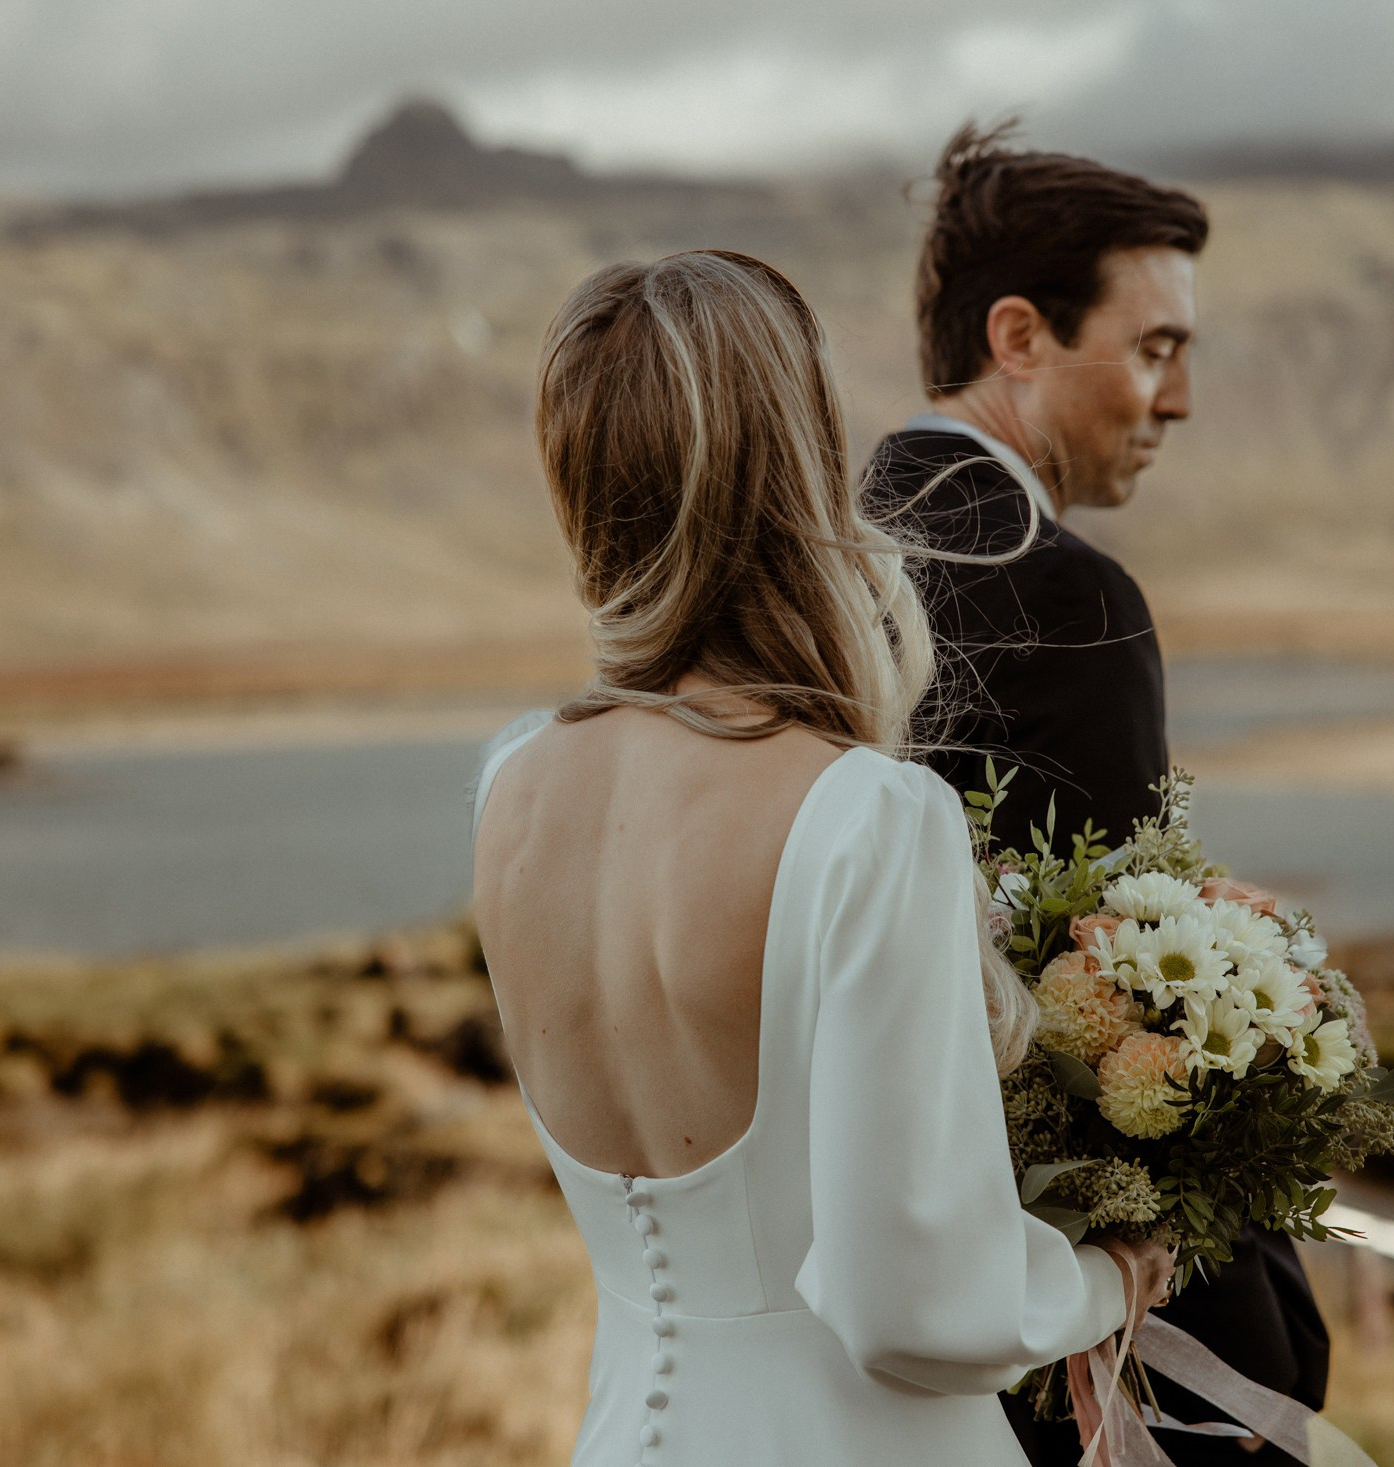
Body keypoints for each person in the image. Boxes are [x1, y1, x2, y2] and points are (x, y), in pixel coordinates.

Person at [470, 249, 1173, 1467]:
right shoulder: (863, 817)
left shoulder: (509, 789)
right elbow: (914, 1309)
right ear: (794, 463)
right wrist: (1112, 1281)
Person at [864, 124, 1332, 1465]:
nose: (1176, 399)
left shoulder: (821, 552)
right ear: (1020, 336)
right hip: (1063, 1337)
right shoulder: (1067, 595)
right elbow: (1120, 1025)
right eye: (1153, 348)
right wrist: (1268, 1351)